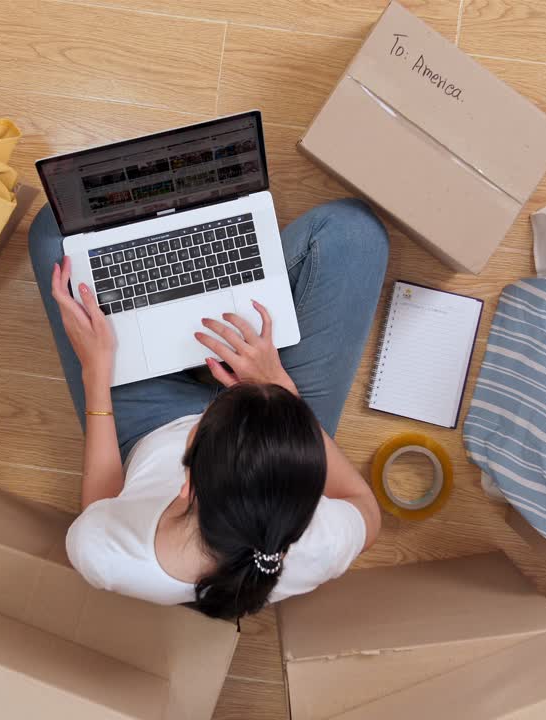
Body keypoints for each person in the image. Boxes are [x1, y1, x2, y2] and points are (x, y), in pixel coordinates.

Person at [29, 198, 389, 620]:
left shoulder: (103, 555)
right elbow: (364, 506)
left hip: (149, 423)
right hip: (284, 421)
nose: (230, 394)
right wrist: (281, 389)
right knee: (353, 233)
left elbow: (103, 504)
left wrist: (96, 374)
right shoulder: (321, 545)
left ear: (188, 486)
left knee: (56, 228)